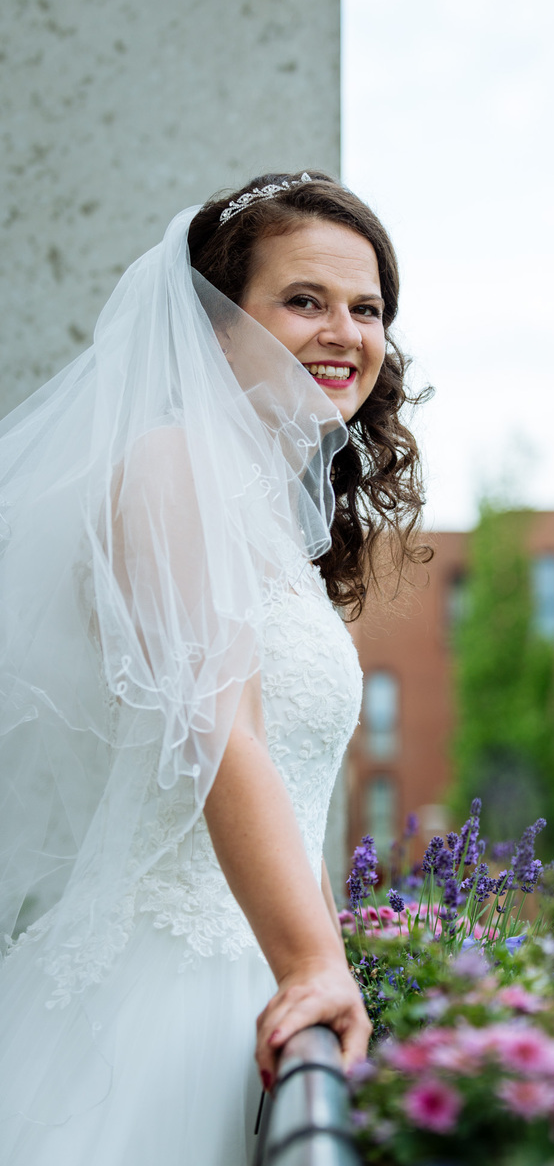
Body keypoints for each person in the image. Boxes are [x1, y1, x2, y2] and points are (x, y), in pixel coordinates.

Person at [0, 171, 430, 1165]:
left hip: (255, 973)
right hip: (158, 1004)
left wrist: (326, 964)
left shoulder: (266, 515)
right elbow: (221, 731)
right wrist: (316, 964)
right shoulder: (170, 466)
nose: (346, 333)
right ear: (217, 326)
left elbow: (291, 776)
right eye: (304, 300)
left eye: (367, 309)